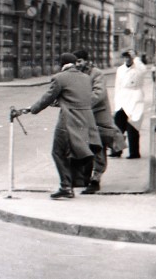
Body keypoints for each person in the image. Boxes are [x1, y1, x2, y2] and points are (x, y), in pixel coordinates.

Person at [27, 52, 100, 199]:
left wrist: (32, 109)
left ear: (62, 64)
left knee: (58, 152)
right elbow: (75, 97)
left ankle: (66, 187)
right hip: (86, 121)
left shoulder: (59, 78)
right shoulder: (86, 78)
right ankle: (74, 182)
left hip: (68, 120)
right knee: (74, 151)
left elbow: (48, 97)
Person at [72, 50, 126, 194]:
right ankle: (84, 177)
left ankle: (95, 180)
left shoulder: (96, 74)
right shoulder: (76, 74)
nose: (77, 64)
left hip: (98, 116)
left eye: (79, 61)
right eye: (75, 62)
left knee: (98, 148)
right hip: (83, 117)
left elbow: (98, 94)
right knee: (83, 146)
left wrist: (80, 105)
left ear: (86, 60)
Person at [112, 49, 147, 159]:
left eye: (130, 57)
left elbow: (143, 70)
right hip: (122, 98)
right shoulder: (120, 69)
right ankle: (116, 150)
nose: (127, 59)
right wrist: (116, 101)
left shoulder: (138, 68)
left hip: (135, 98)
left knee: (133, 126)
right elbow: (117, 85)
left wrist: (136, 58)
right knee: (118, 126)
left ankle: (134, 153)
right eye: (126, 57)